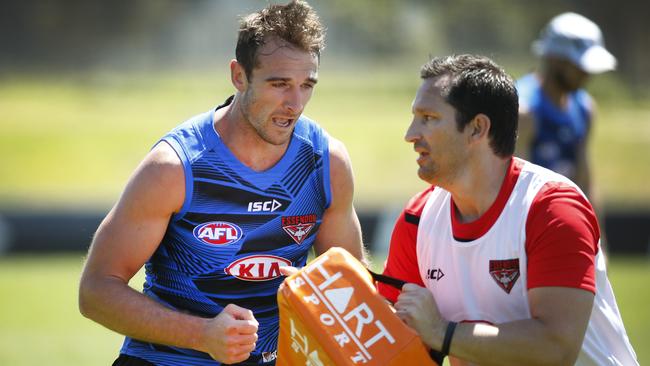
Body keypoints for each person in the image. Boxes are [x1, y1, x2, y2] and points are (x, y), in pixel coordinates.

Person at [78, 1, 366, 365]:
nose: (294, 103)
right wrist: (202, 335)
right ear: (238, 76)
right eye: (279, 84)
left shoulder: (326, 164)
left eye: (306, 85)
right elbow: (96, 291)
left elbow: (351, 293)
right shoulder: (174, 168)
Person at [377, 54, 637, 365]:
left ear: (477, 128)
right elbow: (393, 344)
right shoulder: (417, 219)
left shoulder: (553, 209)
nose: (411, 134)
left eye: (429, 118)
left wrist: (442, 333)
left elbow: (556, 348)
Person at [516, 12, 616, 202]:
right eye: (579, 66)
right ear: (555, 59)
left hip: (564, 219)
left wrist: (597, 231)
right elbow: (515, 192)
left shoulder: (585, 108)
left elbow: (584, 183)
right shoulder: (524, 111)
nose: (587, 74)